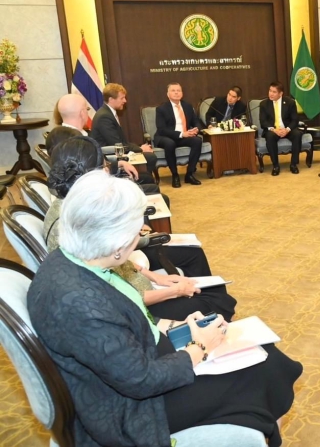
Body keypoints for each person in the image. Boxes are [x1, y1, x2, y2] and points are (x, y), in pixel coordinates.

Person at [29, 170, 302, 447]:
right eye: (137, 230)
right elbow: (141, 380)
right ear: (118, 244)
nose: (140, 234)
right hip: (130, 411)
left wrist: (178, 327)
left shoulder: (74, 261)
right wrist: (199, 348)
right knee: (266, 370)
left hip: (135, 368)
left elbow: (127, 324)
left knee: (265, 355)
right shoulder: (82, 304)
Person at [43, 136, 235, 320]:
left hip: (137, 286)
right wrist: (175, 291)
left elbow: (113, 259)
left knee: (205, 278)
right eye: (104, 167)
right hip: (138, 310)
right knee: (216, 301)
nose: (108, 171)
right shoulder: (77, 223)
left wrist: (156, 278)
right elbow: (120, 298)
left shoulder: (73, 208)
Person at [90, 83, 157, 176]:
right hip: (109, 158)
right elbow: (116, 144)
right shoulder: (104, 117)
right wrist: (140, 149)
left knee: (149, 156)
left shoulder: (108, 113)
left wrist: (139, 147)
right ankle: (139, 180)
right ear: (111, 99)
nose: (125, 101)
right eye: (122, 98)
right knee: (150, 157)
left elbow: (121, 142)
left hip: (116, 152)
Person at [155, 83, 204, 188]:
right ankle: (175, 175)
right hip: (166, 137)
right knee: (170, 144)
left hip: (184, 136)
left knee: (197, 141)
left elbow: (196, 121)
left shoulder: (187, 106)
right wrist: (182, 134)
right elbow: (162, 130)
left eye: (179, 90)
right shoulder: (161, 109)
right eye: (173, 90)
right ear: (168, 94)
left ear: (182, 93)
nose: (176, 93)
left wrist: (196, 129)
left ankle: (189, 174)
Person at [259, 81, 303, 176]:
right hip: (273, 130)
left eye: (274, 92)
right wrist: (274, 130)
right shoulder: (264, 104)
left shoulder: (290, 102)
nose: (271, 94)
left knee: (297, 134)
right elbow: (263, 121)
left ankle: (293, 164)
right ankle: (275, 166)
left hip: (287, 128)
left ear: (281, 93)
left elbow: (295, 120)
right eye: (270, 91)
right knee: (270, 137)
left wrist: (287, 129)